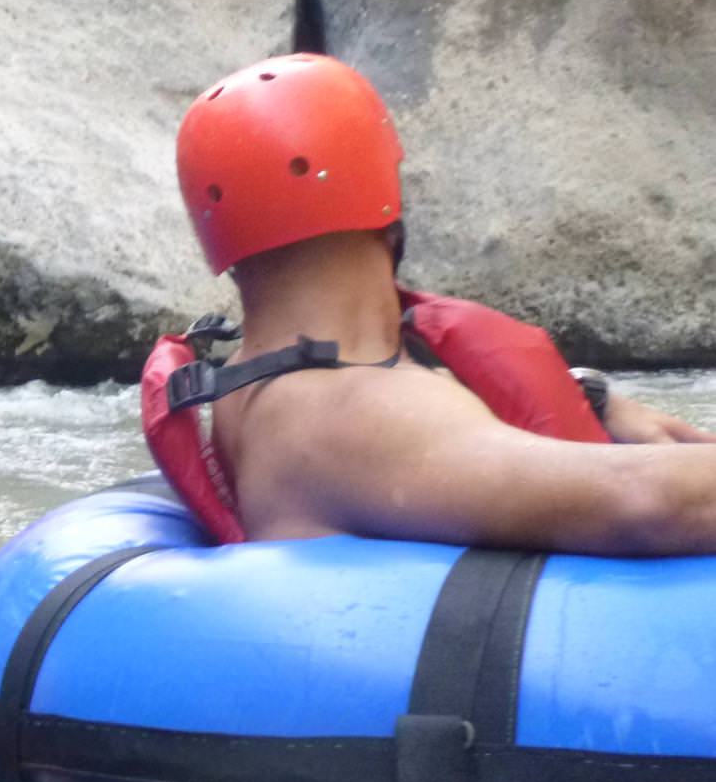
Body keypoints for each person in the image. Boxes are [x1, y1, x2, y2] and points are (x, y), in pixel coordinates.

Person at [140, 52, 716, 554]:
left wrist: (589, 400)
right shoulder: (352, 413)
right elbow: (644, 503)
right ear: (383, 199)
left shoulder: (256, 385)